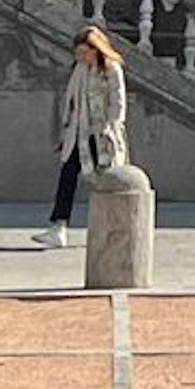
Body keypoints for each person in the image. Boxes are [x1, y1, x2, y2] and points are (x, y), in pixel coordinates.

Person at [38, 27, 127, 247]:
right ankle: (59, 226)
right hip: (78, 134)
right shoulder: (80, 69)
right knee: (67, 176)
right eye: (78, 53)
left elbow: (118, 102)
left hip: (103, 135)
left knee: (108, 180)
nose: (80, 57)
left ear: (96, 50)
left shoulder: (111, 70)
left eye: (84, 53)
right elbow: (71, 99)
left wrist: (112, 127)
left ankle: (117, 226)